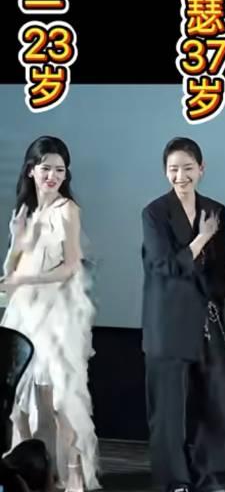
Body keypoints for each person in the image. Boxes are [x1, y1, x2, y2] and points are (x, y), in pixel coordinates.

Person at [0, 136, 101, 491]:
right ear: (31, 170)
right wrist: (15, 241)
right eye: (46, 169)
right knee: (19, 404)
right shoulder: (27, 212)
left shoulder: (67, 210)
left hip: (55, 316)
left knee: (59, 400)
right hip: (24, 314)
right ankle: (32, 472)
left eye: (60, 170)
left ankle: (72, 474)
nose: (52, 176)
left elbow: (70, 266)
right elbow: (9, 269)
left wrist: (25, 279)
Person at [141, 137, 225, 492]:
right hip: (167, 323)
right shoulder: (154, 213)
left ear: (201, 168)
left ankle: (211, 477)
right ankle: (175, 482)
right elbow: (163, 265)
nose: (180, 176)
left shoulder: (215, 210)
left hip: (209, 321)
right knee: (170, 412)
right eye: (173, 169)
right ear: (165, 172)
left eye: (187, 168)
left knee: (215, 403)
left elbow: (223, 268)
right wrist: (201, 239)